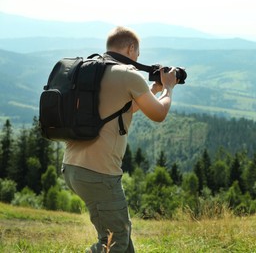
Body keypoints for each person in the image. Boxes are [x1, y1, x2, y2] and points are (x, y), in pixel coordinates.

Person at [61, 26, 179, 253]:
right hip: (99, 172)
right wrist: (169, 89)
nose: (137, 58)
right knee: (114, 242)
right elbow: (159, 114)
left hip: (73, 167)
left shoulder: (92, 69)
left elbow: (119, 110)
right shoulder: (128, 74)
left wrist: (152, 91)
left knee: (122, 239)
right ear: (131, 47)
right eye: (137, 53)